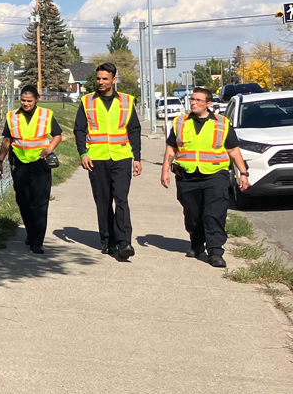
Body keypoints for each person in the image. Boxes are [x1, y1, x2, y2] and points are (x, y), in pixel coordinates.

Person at [161, 87, 250, 268]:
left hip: (215, 176)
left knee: (214, 213)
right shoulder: (180, 122)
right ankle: (196, 243)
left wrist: (244, 173)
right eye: (192, 99)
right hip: (187, 177)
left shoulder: (222, 123)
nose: (193, 103)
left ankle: (216, 251)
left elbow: (233, 150)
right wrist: (164, 171)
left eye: (198, 100)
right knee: (193, 214)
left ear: (209, 104)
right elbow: (172, 148)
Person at [74, 62, 142, 260]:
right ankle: (107, 240)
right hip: (96, 158)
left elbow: (134, 130)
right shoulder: (87, 102)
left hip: (121, 157)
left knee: (121, 200)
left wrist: (137, 157)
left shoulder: (127, 101)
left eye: (105, 78)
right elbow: (79, 129)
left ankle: (124, 242)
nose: (101, 82)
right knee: (103, 201)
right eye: (98, 78)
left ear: (114, 79)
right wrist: (82, 153)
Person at [0, 84, 63, 254]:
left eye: (29, 101)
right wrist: (0, 161)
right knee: (23, 200)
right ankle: (31, 231)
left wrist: (49, 149)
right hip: (19, 163)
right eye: (23, 100)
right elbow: (7, 140)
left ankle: (37, 241)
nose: (26, 104)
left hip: (40, 163)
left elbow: (57, 134)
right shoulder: (12, 116)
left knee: (39, 202)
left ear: (36, 100)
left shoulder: (45, 115)